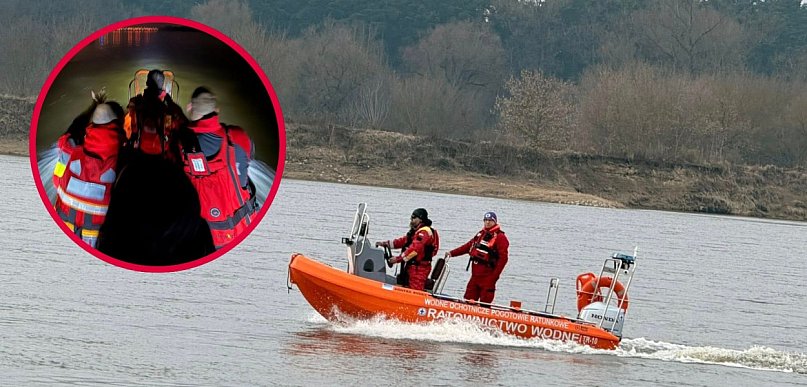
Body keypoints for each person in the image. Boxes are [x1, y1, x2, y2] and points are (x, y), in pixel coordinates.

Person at [176, 86, 258, 249]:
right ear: (217, 110)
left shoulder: (178, 144)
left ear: (190, 108)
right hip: (242, 231)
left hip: (201, 238)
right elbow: (250, 157)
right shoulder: (238, 136)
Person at [53, 96, 126, 248]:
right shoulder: (124, 162)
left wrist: (94, 106)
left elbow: (56, 179)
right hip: (95, 241)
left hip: (61, 230)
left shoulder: (68, 150)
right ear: (119, 125)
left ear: (92, 123)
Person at [444, 211, 509, 303]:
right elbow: (468, 246)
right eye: (485, 220)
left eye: (490, 220)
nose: (487, 222)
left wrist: (494, 276)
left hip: (488, 276)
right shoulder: (480, 234)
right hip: (475, 275)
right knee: (468, 299)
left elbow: (503, 259)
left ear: (495, 222)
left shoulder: (500, 237)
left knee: (484, 302)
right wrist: (452, 253)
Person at [124, 69, 186, 159]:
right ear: (163, 84)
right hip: (163, 149)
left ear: (147, 82)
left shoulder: (136, 102)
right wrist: (171, 103)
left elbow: (134, 127)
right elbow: (174, 126)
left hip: (141, 146)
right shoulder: (169, 107)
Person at [375, 208, 439, 291]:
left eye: (413, 218)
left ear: (420, 219)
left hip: (419, 269)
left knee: (415, 291)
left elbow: (414, 250)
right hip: (412, 267)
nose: (411, 220)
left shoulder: (424, 233)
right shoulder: (416, 232)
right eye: (411, 218)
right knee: (402, 282)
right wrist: (386, 243)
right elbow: (403, 241)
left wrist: (397, 259)